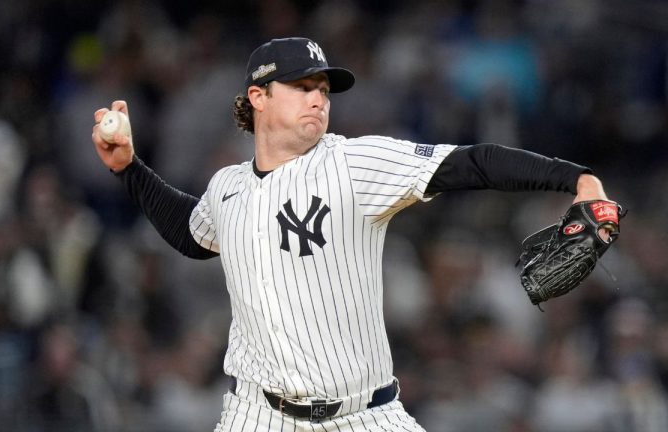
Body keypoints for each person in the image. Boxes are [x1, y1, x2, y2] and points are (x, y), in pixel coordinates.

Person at [91, 37, 613, 432]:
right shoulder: (227, 186)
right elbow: (190, 232)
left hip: (364, 416)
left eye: (323, 90)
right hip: (257, 414)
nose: (319, 99)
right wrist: (129, 168)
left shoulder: (353, 163)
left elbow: (470, 163)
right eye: (302, 88)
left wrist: (576, 178)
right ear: (259, 96)